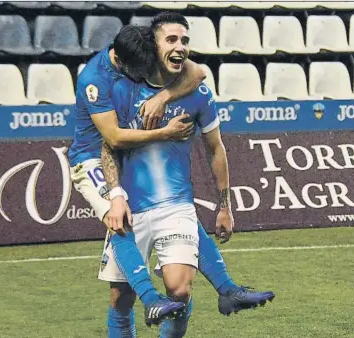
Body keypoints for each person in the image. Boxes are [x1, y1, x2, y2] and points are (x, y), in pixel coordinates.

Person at [101, 12, 275, 337]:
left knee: (180, 292)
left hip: (175, 205)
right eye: (171, 39)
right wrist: (114, 195)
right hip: (130, 206)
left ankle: (224, 292)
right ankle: (227, 288)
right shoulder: (124, 88)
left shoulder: (198, 92)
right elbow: (109, 146)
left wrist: (224, 205)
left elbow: (216, 148)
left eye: (185, 40)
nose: (180, 46)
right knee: (120, 298)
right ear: (152, 47)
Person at [68, 24, 207, 332]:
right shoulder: (94, 80)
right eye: (138, 70)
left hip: (133, 159)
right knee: (120, 283)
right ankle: (151, 296)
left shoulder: (140, 49)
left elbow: (198, 72)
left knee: (177, 276)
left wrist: (164, 97)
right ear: (121, 60)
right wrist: (165, 133)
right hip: (92, 160)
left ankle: (202, 288)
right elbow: (113, 139)